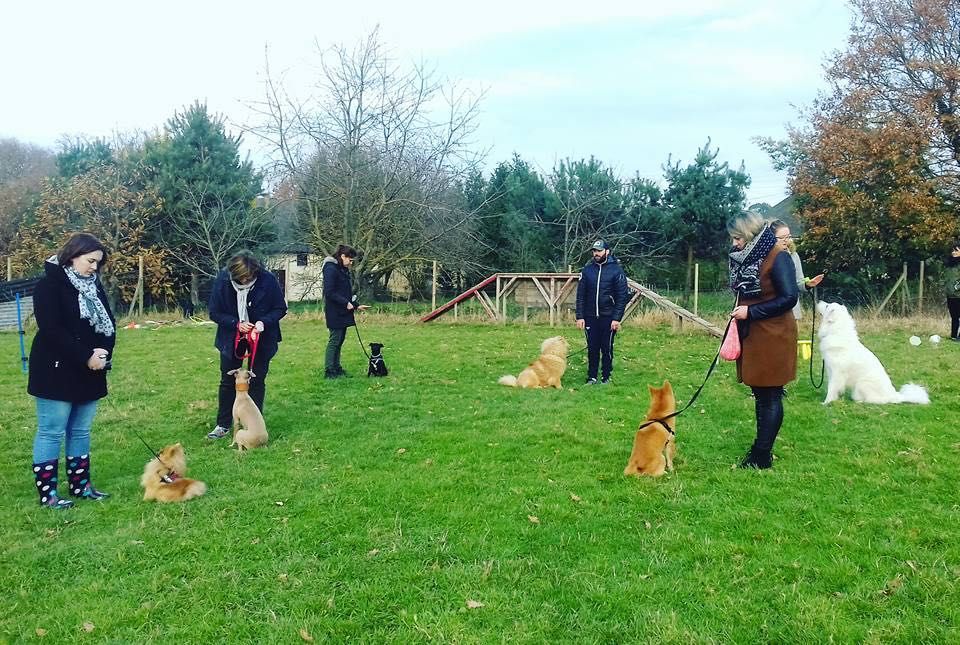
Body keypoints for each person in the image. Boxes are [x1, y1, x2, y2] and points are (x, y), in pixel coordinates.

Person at [28, 233, 115, 508]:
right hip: (55, 369)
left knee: (80, 431)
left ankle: (81, 486)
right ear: (73, 255)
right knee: (52, 431)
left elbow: (108, 323)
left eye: (98, 264)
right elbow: (52, 330)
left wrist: (103, 352)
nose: (94, 268)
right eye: (90, 261)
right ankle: (48, 494)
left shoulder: (94, 287)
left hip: (90, 369)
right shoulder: (48, 286)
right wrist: (85, 355)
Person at [728, 212, 799, 469]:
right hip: (754, 333)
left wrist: (752, 312)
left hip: (774, 334)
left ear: (749, 234)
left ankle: (761, 455)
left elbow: (789, 298)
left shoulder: (778, 257)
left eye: (737, 238)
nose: (734, 244)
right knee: (760, 392)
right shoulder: (746, 258)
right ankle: (761, 449)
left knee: (770, 394)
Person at [207, 251, 287, 439]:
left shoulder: (267, 280)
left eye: (249, 277)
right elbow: (214, 312)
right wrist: (237, 324)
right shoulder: (223, 281)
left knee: (257, 380)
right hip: (231, 338)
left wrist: (262, 323)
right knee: (228, 381)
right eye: (242, 277)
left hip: (262, 338)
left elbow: (280, 308)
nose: (245, 280)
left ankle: (254, 425)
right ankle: (223, 424)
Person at [575, 239, 629, 385]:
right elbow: (580, 295)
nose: (596, 253)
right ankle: (591, 377)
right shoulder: (587, 271)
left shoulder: (616, 271)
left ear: (607, 251)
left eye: (599, 251)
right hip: (590, 317)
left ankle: (606, 376)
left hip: (609, 317)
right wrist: (580, 316)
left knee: (606, 348)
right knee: (592, 348)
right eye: (594, 251)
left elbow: (622, 296)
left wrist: (616, 318)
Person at [322, 244, 369, 379]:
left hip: (343, 311)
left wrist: (355, 305)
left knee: (340, 340)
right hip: (334, 311)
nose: (350, 263)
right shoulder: (330, 269)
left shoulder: (342, 269)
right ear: (342, 256)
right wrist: (346, 303)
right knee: (334, 340)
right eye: (350, 260)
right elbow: (330, 292)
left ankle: (336, 367)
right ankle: (329, 370)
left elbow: (344, 292)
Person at [770, 219, 824, 321]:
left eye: (788, 237)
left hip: (791, 312)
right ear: (771, 238)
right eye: (782, 238)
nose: (786, 240)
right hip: (771, 312)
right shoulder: (765, 258)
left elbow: (799, 282)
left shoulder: (794, 255)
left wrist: (808, 284)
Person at [945, 244, 960, 341]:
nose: (954, 252)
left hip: (959, 294)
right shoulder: (949, 264)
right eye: (952, 250)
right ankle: (954, 336)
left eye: (956, 250)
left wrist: (957, 287)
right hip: (950, 295)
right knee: (954, 317)